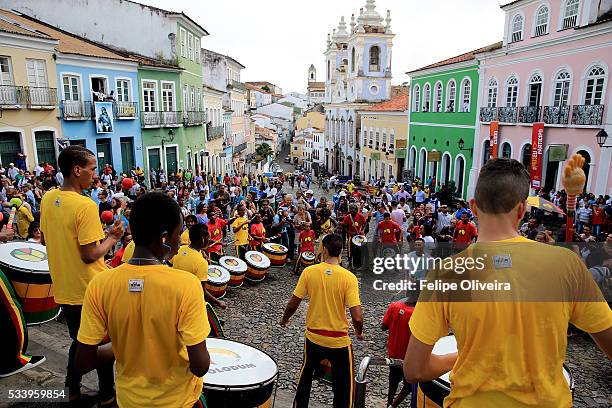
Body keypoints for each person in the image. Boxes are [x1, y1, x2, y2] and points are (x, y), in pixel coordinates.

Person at [404, 158, 612, 407]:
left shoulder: (446, 272)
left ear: (473, 207)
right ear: (522, 209)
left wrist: (458, 358)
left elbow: (414, 370)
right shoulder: (567, 264)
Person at [75, 192, 211, 407]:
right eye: (179, 232)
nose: (180, 240)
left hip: (128, 400)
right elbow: (200, 366)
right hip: (177, 401)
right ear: (164, 237)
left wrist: (124, 344)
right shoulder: (186, 285)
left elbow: (82, 361)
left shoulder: (100, 283)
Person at [40, 146, 123, 406]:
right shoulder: (84, 205)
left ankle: (72, 389)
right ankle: (107, 395)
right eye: (92, 169)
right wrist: (112, 237)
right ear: (77, 170)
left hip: (65, 286)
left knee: (80, 341)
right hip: (89, 287)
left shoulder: (48, 198)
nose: (95, 175)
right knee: (100, 343)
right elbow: (90, 255)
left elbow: (47, 239)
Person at [280, 234, 363, 408]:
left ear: (324, 249)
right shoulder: (349, 278)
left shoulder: (309, 272)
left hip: (314, 337)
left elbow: (293, 303)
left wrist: (284, 320)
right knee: (344, 386)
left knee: (305, 377)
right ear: (341, 252)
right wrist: (358, 331)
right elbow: (357, 316)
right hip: (339, 341)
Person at [382, 296, 416, 408]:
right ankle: (393, 406)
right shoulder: (417, 313)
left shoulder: (394, 306)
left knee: (393, 381)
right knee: (409, 385)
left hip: (393, 354)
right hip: (408, 357)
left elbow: (383, 326)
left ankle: (389, 403)